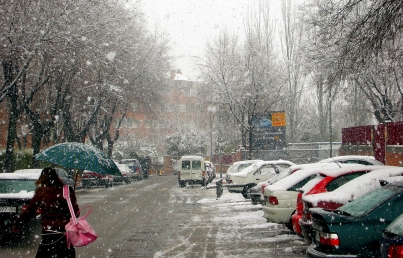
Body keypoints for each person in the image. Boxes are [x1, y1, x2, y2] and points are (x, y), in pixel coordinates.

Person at [13, 167, 80, 258]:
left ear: (42, 178)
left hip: (48, 232)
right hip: (64, 233)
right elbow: (76, 213)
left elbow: (29, 211)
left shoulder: (41, 192)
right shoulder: (67, 191)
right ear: (57, 177)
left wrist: (18, 224)